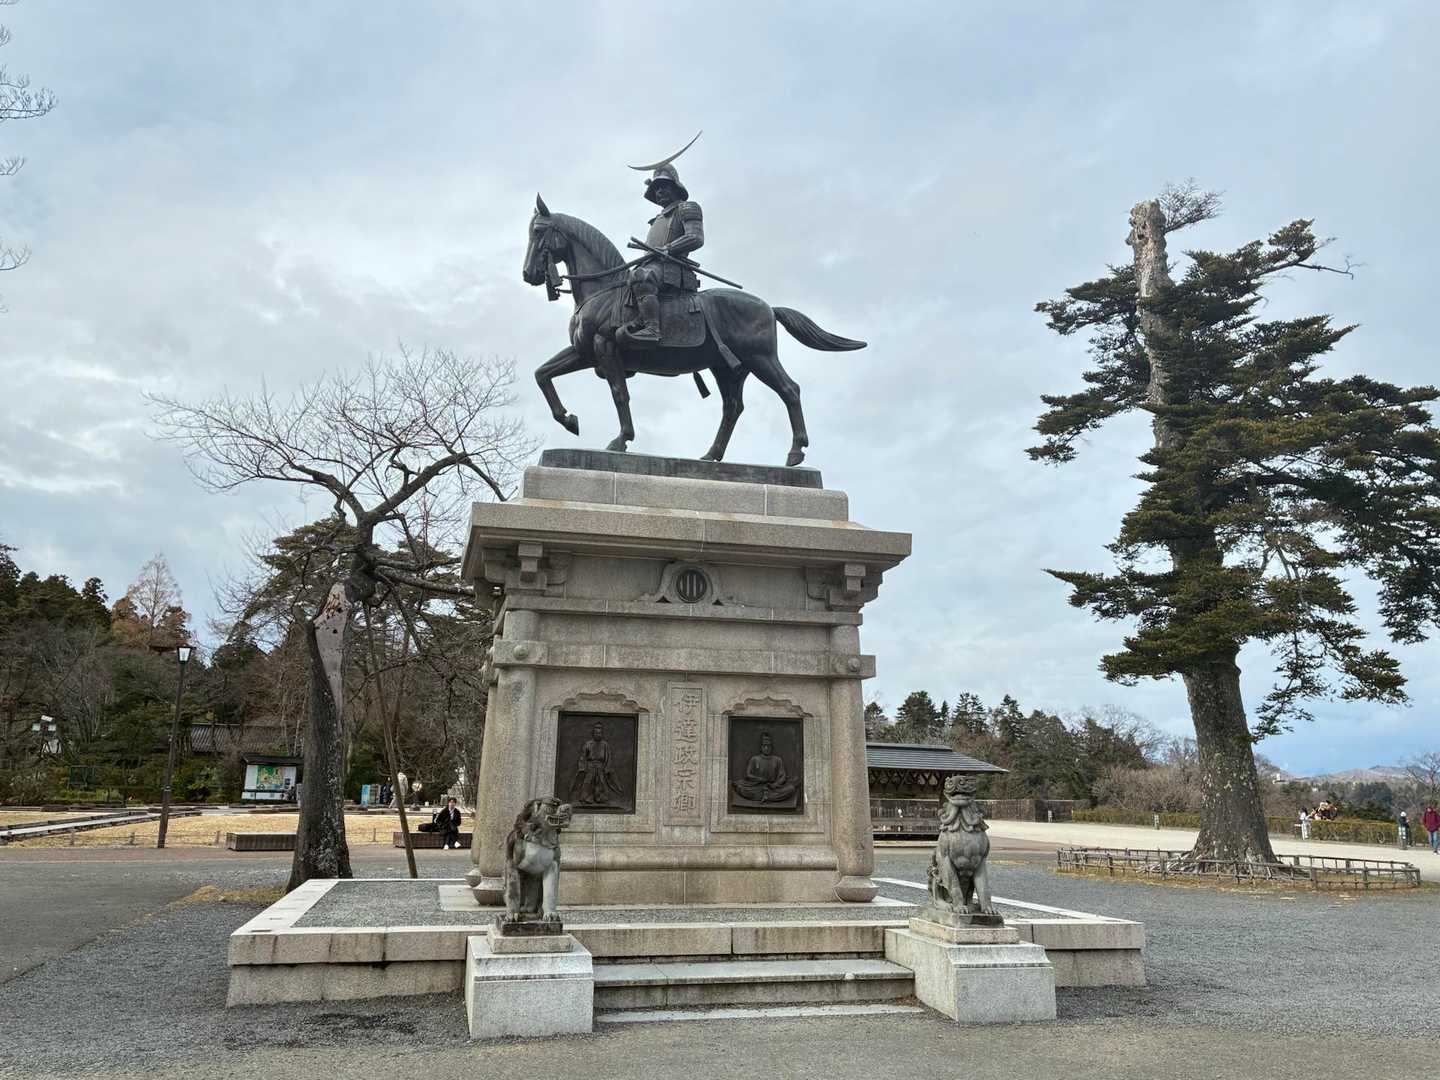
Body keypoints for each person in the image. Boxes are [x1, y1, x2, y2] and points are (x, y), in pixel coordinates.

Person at [615, 163, 704, 348]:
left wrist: (668, 249)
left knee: (642, 276)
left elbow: (695, 237)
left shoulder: (687, 208)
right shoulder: (657, 219)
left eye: (664, 186)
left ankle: (652, 328)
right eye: (656, 188)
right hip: (653, 266)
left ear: (676, 187)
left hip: (673, 268)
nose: (659, 191)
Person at [730, 730, 800, 807]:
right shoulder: (755, 759)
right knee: (740, 787)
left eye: (768, 746)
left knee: (791, 789)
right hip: (757, 786)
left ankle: (767, 797)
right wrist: (759, 779)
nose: (766, 748)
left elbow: (782, 776)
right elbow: (748, 774)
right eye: (764, 746)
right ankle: (767, 797)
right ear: (761, 747)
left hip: (773, 788)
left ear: (771, 747)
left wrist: (775, 785)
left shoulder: (777, 760)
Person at [570, 722, 622, 807]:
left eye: (600, 733)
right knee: (588, 782)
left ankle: (601, 799)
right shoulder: (588, 744)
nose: (598, 735)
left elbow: (608, 757)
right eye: (596, 733)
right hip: (590, 766)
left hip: (600, 766)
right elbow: (583, 757)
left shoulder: (605, 745)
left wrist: (607, 767)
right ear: (593, 734)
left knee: (601, 782)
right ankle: (586, 799)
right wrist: (583, 767)